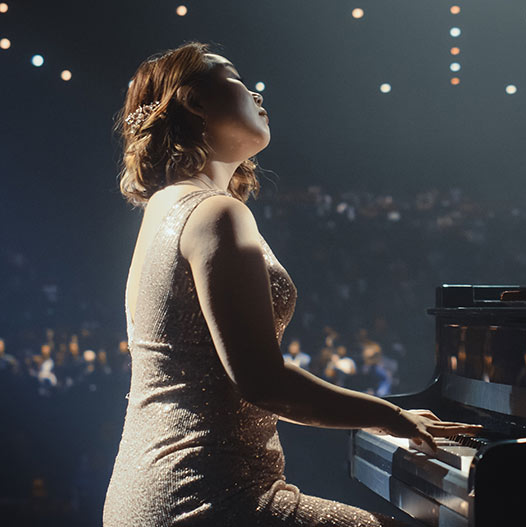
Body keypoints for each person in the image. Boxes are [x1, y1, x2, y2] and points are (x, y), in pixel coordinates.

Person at [102, 42, 480, 526]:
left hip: (146, 489)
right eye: (236, 78)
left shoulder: (164, 208)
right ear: (195, 102)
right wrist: (390, 416)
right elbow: (263, 380)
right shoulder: (215, 212)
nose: (257, 94)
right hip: (204, 496)